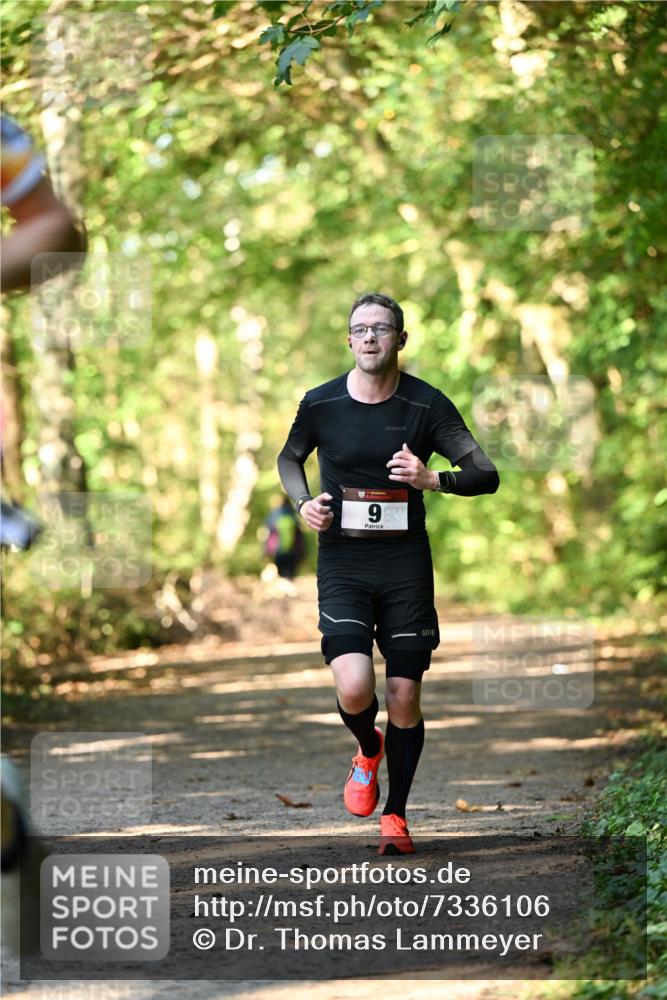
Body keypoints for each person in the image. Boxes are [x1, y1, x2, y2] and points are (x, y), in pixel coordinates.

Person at [277, 292, 500, 855]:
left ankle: (396, 815)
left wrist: (431, 481)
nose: (371, 336)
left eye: (382, 328)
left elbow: (484, 473)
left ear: (402, 339)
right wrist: (304, 503)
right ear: (349, 341)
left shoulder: (427, 406)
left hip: (404, 565)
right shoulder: (321, 402)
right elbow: (288, 458)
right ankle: (365, 748)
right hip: (344, 562)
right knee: (355, 688)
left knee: (403, 695)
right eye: (360, 328)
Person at [264, 494, 305, 580]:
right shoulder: (293, 514)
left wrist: (266, 548)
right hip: (293, 549)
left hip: (278, 549)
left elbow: (268, 532)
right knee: (290, 572)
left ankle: (283, 588)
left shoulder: (273, 514)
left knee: (281, 572)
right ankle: (288, 586)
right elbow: (299, 534)